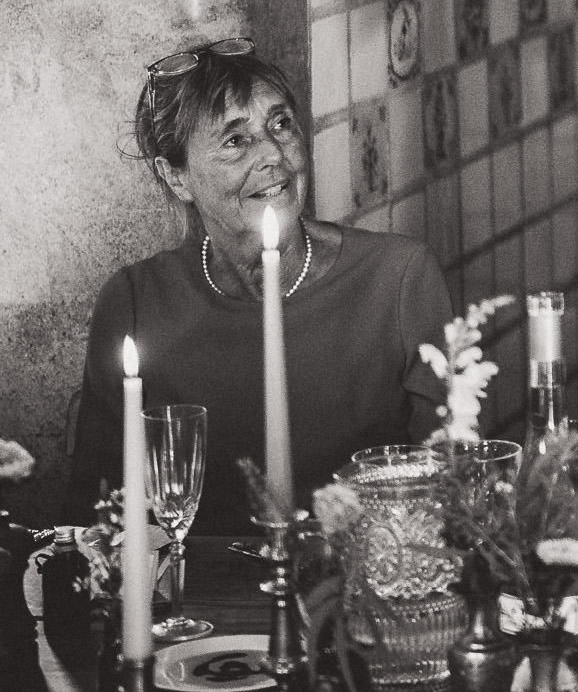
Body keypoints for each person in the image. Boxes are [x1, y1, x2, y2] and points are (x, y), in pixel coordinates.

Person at [70, 41, 456, 536]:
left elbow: (451, 486)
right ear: (177, 176)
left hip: (360, 590)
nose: (273, 154)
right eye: (234, 141)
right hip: (198, 604)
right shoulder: (136, 302)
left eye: (280, 125)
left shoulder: (399, 279)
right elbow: (94, 513)